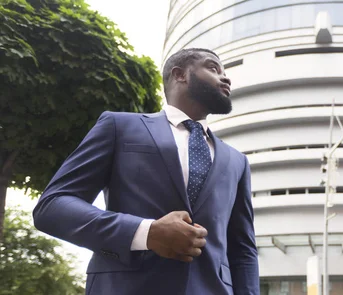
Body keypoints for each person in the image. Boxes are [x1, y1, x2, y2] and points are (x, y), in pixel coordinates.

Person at [32, 48, 259, 295]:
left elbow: (242, 250)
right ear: (180, 74)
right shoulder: (119, 126)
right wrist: (146, 232)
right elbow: (52, 206)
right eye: (213, 68)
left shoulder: (237, 161)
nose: (225, 78)